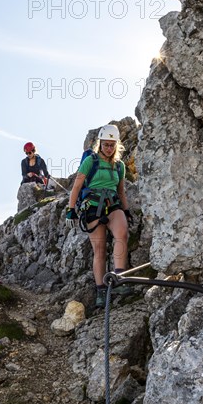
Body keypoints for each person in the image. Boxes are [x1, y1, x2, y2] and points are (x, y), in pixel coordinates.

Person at [65, 124, 134, 307]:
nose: (109, 148)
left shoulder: (119, 166)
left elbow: (121, 192)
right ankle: (101, 291)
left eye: (112, 145)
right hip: (92, 208)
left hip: (113, 205)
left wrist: (126, 210)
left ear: (116, 145)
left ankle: (119, 278)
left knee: (122, 234)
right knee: (100, 250)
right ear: (100, 143)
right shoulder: (91, 161)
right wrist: (70, 210)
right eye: (106, 144)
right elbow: (77, 186)